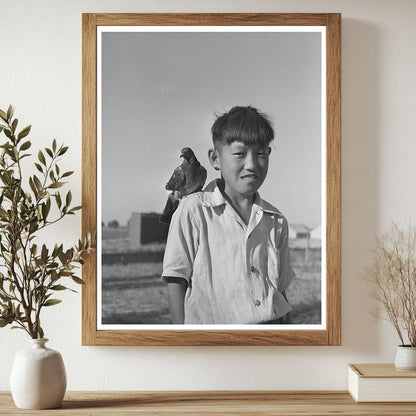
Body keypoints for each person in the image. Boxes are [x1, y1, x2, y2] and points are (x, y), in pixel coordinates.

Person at [162, 106, 295, 324]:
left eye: (260, 153)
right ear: (215, 158)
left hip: (269, 340)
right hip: (212, 342)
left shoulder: (276, 220)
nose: (251, 165)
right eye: (240, 154)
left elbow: (280, 291)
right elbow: (176, 281)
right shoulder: (194, 210)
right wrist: (182, 340)